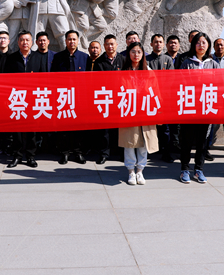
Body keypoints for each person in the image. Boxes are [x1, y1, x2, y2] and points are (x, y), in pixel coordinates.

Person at [178, 32, 220, 184]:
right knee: (187, 140)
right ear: (193, 45)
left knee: (202, 141)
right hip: (190, 107)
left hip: (206, 107)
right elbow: (180, 83)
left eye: (204, 42)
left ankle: (199, 169)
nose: (201, 45)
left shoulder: (213, 64)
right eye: (198, 42)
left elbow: (219, 84)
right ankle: (184, 169)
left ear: (208, 45)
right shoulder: (186, 62)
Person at [118, 42, 159, 185]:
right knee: (129, 142)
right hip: (129, 111)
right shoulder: (123, 72)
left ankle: (140, 171)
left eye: (139, 52)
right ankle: (130, 171)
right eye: (133, 51)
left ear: (143, 54)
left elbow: (155, 92)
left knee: (143, 142)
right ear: (128, 53)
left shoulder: (148, 71)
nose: (136, 55)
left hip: (145, 110)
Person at [51, 30, 89, 164]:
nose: (72, 41)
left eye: (74, 39)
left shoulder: (85, 58)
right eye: (69, 39)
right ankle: (64, 153)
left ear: (78, 41)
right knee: (64, 127)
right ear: (66, 41)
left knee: (79, 127)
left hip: (79, 98)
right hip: (63, 97)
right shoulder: (58, 57)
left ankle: (78, 152)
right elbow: (53, 78)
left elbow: (89, 80)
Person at [4, 31, 40, 168]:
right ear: (18, 42)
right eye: (22, 40)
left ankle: (31, 156)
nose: (25, 42)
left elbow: (43, 78)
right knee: (17, 130)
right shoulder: (11, 58)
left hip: (33, 99)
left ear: (32, 42)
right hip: (17, 99)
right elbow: (6, 80)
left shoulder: (38, 57)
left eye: (27, 40)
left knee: (32, 130)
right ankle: (17, 156)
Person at [91, 34, 125, 164]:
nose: (110, 46)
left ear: (116, 45)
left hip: (120, 99)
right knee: (104, 129)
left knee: (120, 128)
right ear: (104, 46)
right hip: (105, 99)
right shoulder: (99, 62)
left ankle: (121, 153)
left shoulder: (123, 60)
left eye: (112, 44)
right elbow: (95, 82)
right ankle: (104, 153)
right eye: (107, 44)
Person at [145, 34, 175, 162]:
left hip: (164, 99)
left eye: (160, 42)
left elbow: (171, 79)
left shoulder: (168, 59)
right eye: (156, 42)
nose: (158, 44)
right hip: (149, 98)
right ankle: (147, 152)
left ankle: (166, 152)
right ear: (151, 44)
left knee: (165, 128)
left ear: (164, 44)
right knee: (148, 126)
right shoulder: (146, 60)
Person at [211, 37, 224, 152]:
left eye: (221, 45)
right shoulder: (209, 59)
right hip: (212, 93)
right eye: (217, 45)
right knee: (211, 121)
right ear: (214, 47)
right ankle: (208, 143)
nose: (219, 47)